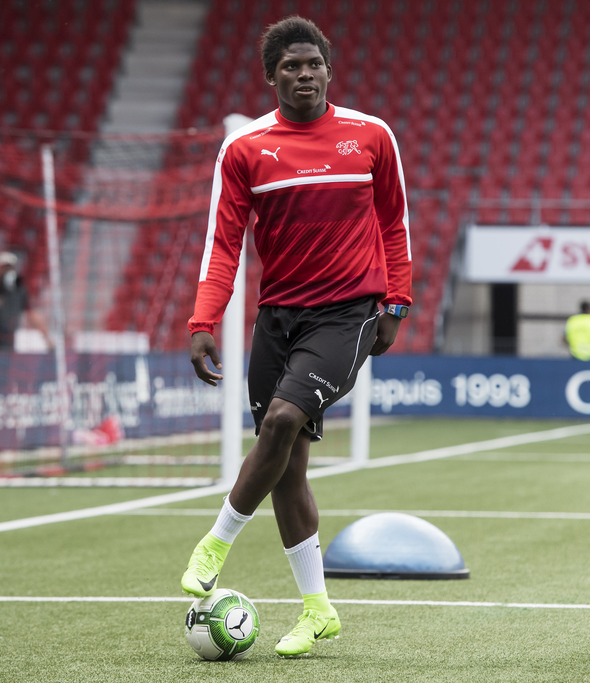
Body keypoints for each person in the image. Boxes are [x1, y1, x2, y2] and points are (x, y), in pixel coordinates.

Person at [180, 16, 411, 658]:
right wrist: (203, 321)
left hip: (349, 311)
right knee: (288, 468)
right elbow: (222, 245)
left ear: (328, 71)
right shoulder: (247, 150)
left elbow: (395, 222)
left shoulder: (369, 135)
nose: (303, 74)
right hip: (277, 317)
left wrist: (396, 301)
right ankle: (318, 611)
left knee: (282, 420)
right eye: (290, 66)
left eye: (313, 64)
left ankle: (217, 541)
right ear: (271, 76)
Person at [0, 252, 50, 350]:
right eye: (4, 267)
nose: (7, 271)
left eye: (9, 267)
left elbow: (32, 314)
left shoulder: (19, 291)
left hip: (7, 346)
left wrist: (47, 338)